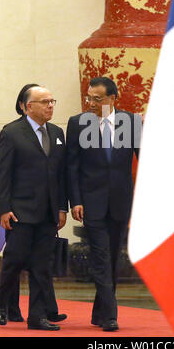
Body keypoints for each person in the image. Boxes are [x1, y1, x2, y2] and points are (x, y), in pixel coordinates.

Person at [66, 77, 141, 332]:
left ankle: (99, 312)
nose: (91, 103)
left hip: (121, 201)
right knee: (100, 256)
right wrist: (75, 201)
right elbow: (72, 167)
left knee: (111, 257)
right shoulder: (78, 124)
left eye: (97, 99)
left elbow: (145, 160)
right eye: (89, 98)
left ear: (112, 98)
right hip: (91, 202)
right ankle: (110, 315)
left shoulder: (131, 122)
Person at [0, 86, 68, 331]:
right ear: (28, 107)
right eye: (44, 101)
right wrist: (3, 208)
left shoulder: (57, 133)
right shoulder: (12, 132)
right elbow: (3, 174)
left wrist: (61, 208)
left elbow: (60, 175)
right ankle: (2, 302)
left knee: (41, 266)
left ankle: (37, 317)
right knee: (14, 261)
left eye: (52, 101)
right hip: (20, 211)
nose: (50, 105)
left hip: (47, 213)